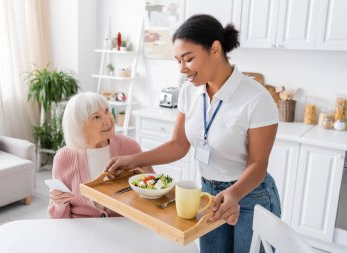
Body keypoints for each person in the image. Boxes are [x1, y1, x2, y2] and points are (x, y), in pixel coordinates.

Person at [105, 14, 281, 253]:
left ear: (215, 49)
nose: (182, 69)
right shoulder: (189, 92)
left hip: (251, 195)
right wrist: (132, 160)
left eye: (188, 59)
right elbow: (178, 144)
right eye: (178, 61)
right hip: (208, 193)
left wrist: (234, 193)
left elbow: (258, 163)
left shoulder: (256, 98)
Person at [48, 91, 153, 219]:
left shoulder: (130, 147)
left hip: (124, 226)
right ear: (79, 126)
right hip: (82, 230)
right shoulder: (64, 158)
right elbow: (58, 219)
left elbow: (152, 194)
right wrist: (59, 203)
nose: (108, 120)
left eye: (107, 111)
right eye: (96, 117)